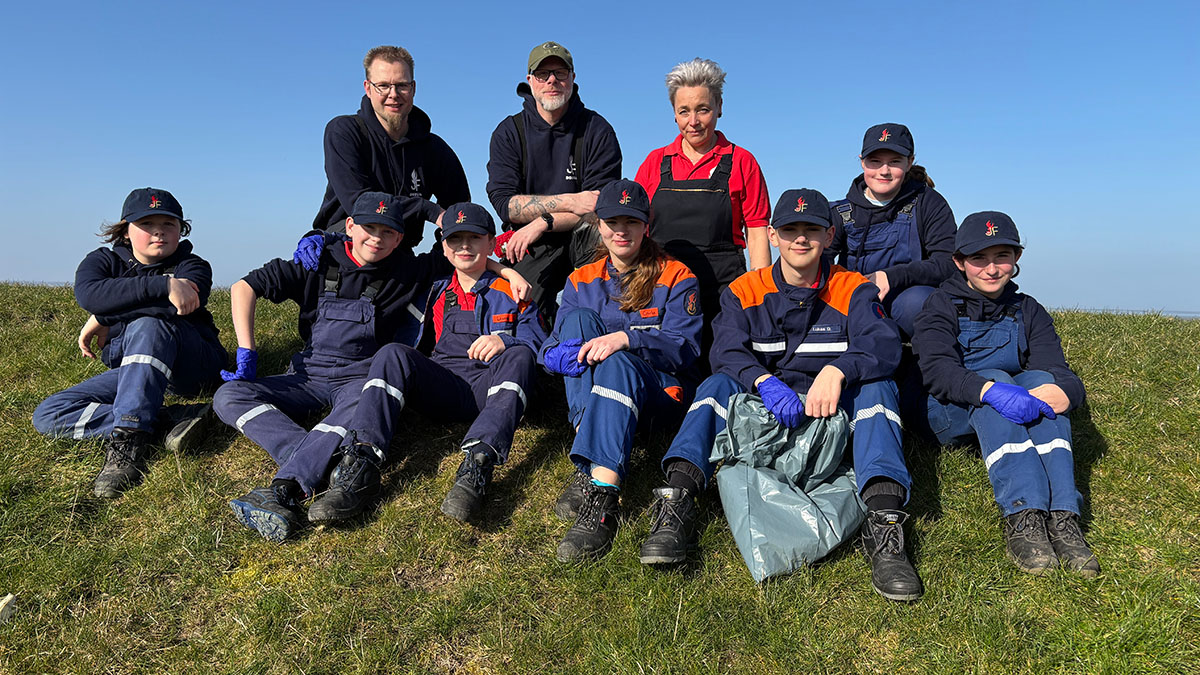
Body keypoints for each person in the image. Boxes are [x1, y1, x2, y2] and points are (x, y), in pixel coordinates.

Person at [654, 188, 924, 600]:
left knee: (880, 389)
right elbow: (725, 350)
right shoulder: (744, 289)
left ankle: (885, 525)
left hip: (835, 409)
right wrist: (763, 381)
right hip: (766, 408)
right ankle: (677, 503)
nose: (801, 239)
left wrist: (838, 370)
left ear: (829, 235)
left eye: (811, 229)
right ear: (774, 236)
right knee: (714, 387)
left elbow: (884, 346)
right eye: (790, 229)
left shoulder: (853, 288)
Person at [215, 193, 527, 542]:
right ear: (349, 226)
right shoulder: (315, 260)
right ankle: (313, 453)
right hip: (304, 375)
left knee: (352, 409)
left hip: (359, 378)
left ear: (399, 239)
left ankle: (286, 487)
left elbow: (466, 258)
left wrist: (506, 270)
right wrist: (247, 351)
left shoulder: (406, 270)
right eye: (368, 228)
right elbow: (244, 287)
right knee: (228, 396)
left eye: (388, 231)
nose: (376, 238)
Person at [912, 212, 1099, 577]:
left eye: (1002, 257)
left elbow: (1059, 369)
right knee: (996, 380)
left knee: (1042, 380)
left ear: (1016, 259)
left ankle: (1063, 515)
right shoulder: (939, 305)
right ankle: (1023, 514)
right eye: (978, 258)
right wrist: (989, 390)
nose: (991, 268)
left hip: (1006, 400)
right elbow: (936, 371)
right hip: (945, 411)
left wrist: (1067, 392)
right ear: (959, 263)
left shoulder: (1028, 309)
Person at [539, 179, 702, 562]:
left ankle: (602, 501)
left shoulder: (678, 275)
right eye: (612, 220)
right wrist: (554, 355)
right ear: (598, 225)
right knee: (578, 320)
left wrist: (628, 339)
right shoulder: (581, 278)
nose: (620, 230)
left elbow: (687, 348)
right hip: (601, 399)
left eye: (631, 221)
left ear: (647, 225)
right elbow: (551, 343)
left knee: (618, 360)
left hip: (659, 395)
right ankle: (591, 447)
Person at [356, 203, 545, 524]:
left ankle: (478, 464)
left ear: (491, 242)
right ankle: (361, 461)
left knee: (520, 353)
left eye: (474, 238)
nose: (465, 247)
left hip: (492, 394)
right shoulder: (432, 292)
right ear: (443, 247)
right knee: (391, 353)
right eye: (455, 239)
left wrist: (505, 340)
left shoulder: (515, 292)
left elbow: (539, 343)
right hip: (442, 389)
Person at [32, 188, 226, 498]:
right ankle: (162, 420)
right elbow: (90, 295)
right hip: (136, 369)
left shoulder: (193, 266)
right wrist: (163, 285)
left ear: (181, 230)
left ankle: (128, 440)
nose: (159, 231)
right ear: (125, 230)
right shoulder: (102, 262)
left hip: (191, 367)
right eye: (147, 223)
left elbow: (182, 304)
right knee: (49, 414)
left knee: (149, 324)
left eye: (169, 223)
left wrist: (106, 316)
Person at [634, 57, 771, 352]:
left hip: (722, 293)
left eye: (703, 110)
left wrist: (758, 298)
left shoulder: (742, 162)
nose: (693, 122)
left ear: (719, 106)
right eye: (684, 112)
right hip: (662, 291)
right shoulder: (654, 163)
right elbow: (636, 230)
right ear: (674, 113)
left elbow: (758, 231)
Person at [486, 40, 622, 320]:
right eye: (542, 74)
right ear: (530, 81)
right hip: (531, 243)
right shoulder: (509, 132)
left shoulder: (597, 130)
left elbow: (598, 206)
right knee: (524, 308)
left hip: (583, 236)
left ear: (572, 78)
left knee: (601, 246)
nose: (552, 80)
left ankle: (598, 335)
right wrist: (572, 200)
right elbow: (506, 205)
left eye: (560, 73)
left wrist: (542, 221)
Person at [312, 45, 470, 248]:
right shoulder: (344, 132)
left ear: (413, 88)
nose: (393, 94)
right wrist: (426, 209)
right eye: (383, 86)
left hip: (401, 257)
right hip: (344, 250)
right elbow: (361, 205)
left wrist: (442, 255)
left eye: (401, 85)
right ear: (368, 88)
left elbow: (460, 211)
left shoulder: (434, 149)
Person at [828, 123, 957, 339]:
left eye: (894, 162)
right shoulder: (839, 212)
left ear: (909, 163)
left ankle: (919, 365)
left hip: (909, 305)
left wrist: (891, 277)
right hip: (854, 299)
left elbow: (949, 263)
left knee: (918, 303)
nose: (884, 171)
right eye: (875, 161)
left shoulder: (929, 203)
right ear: (862, 162)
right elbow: (819, 264)